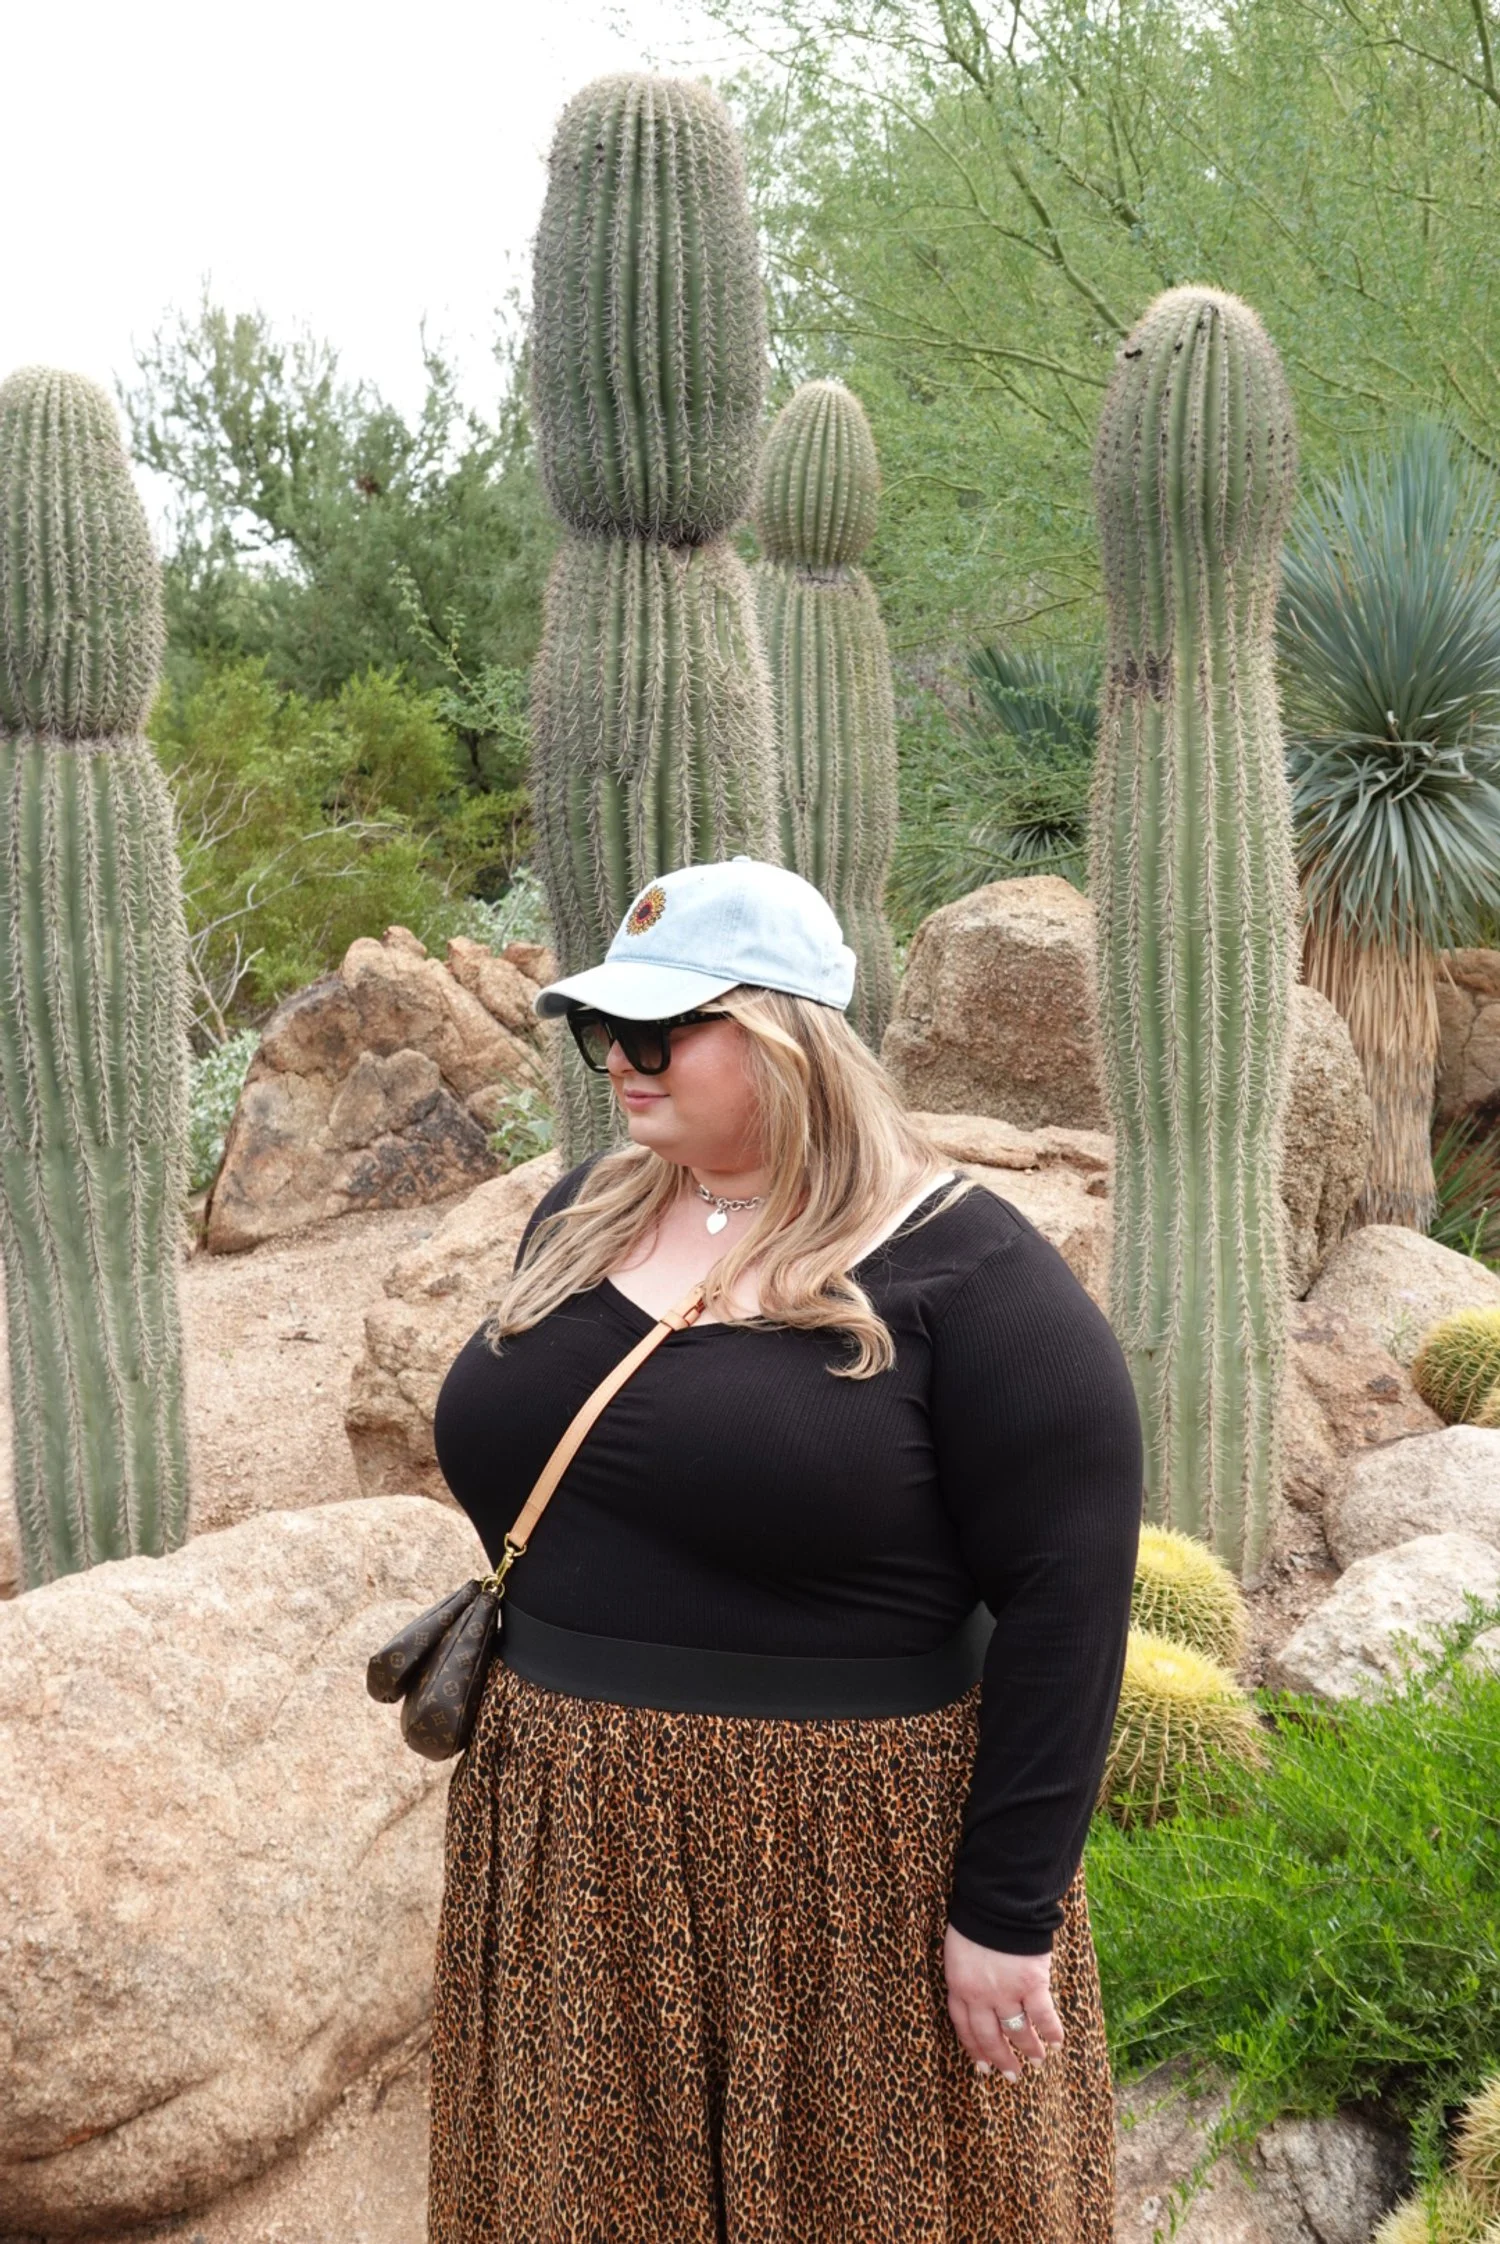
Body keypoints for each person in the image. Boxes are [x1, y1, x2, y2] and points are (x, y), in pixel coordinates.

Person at [426, 856, 1143, 2244]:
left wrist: (1007, 1910)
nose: (619, 1064)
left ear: (785, 1034)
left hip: (840, 1861)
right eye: (598, 1031)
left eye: (657, 1032)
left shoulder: (975, 1277)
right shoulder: (584, 1212)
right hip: (575, 1834)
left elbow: (1070, 1609)